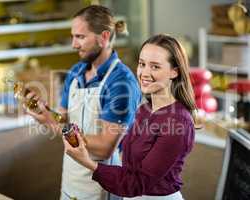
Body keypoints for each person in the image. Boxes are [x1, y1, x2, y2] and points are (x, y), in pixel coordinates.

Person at [25, 5, 141, 200]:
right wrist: (43, 114)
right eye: (73, 36)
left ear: (103, 37)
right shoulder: (76, 72)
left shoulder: (121, 83)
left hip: (103, 186)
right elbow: (61, 119)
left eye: (80, 37)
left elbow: (105, 147)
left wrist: (54, 123)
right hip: (71, 180)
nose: (74, 44)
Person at [63, 34, 197, 200]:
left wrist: (87, 162)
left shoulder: (179, 122)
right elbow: (127, 159)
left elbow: (138, 182)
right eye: (142, 64)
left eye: (155, 67)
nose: (144, 73)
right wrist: (82, 138)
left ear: (174, 72)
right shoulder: (144, 109)